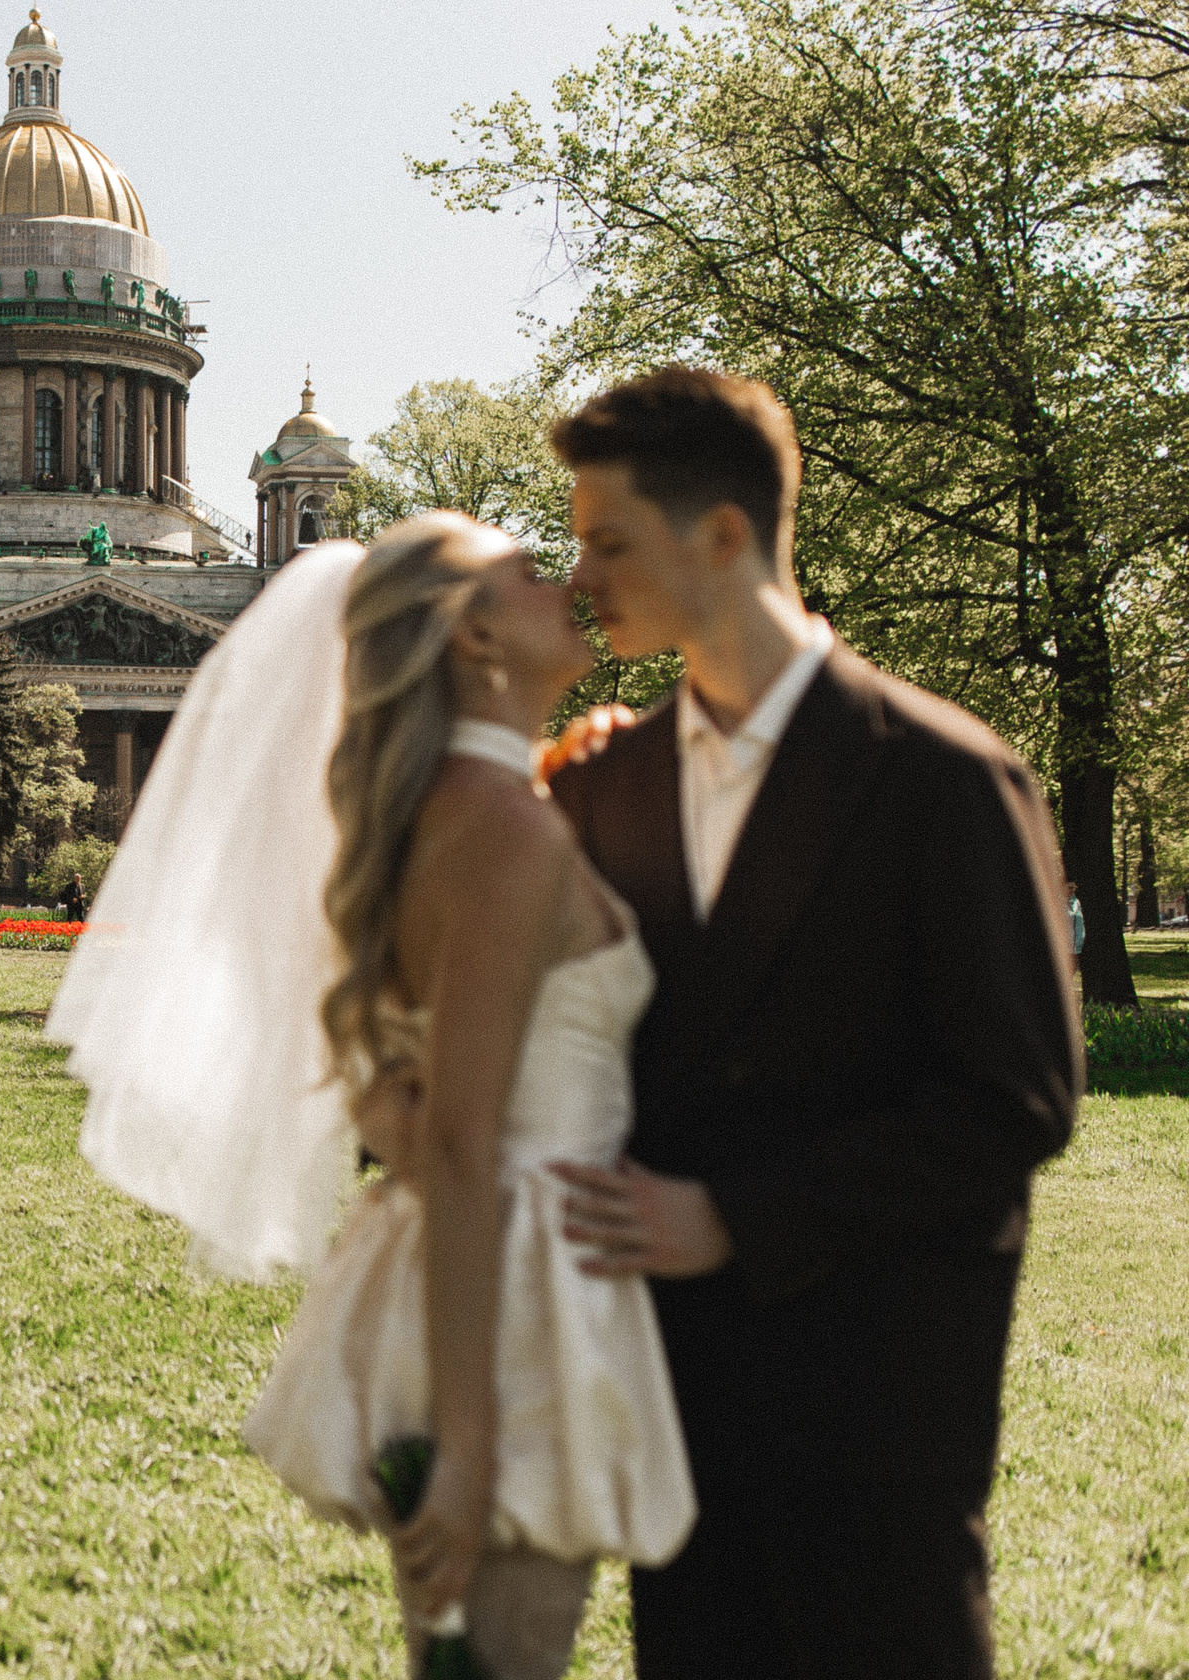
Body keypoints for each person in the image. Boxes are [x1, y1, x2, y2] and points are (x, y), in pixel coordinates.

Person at [54, 515, 694, 1680]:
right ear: (472, 636)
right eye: (528, 572)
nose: (566, 580)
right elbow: (458, 1143)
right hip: (511, 1299)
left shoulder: (434, 819)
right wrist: (469, 1443)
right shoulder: (501, 832)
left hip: (455, 1268)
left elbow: (408, 1097)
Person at [544, 367, 1079, 1679]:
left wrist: (735, 1216)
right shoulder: (605, 783)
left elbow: (1015, 1099)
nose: (579, 575)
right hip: (677, 1419)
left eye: (608, 541)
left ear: (722, 533)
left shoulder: (948, 778)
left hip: (878, 1414)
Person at [1067, 880, 1085, 957]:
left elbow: (1079, 921)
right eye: (1070, 888)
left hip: (1076, 942)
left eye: (1073, 888)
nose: (1072, 890)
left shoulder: (1076, 902)